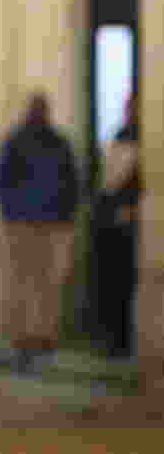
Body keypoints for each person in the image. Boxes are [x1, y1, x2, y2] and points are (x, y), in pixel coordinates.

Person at [0, 91, 79, 371]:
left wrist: (12, 212)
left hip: (37, 223)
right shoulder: (51, 143)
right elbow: (4, 182)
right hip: (35, 224)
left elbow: (70, 183)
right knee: (36, 285)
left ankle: (33, 341)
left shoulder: (21, 141)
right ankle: (31, 340)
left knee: (34, 285)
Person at [92, 91, 141, 358]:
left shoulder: (137, 137)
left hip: (129, 225)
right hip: (113, 226)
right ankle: (115, 340)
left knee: (124, 286)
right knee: (115, 285)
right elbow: (108, 183)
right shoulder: (119, 137)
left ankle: (122, 340)